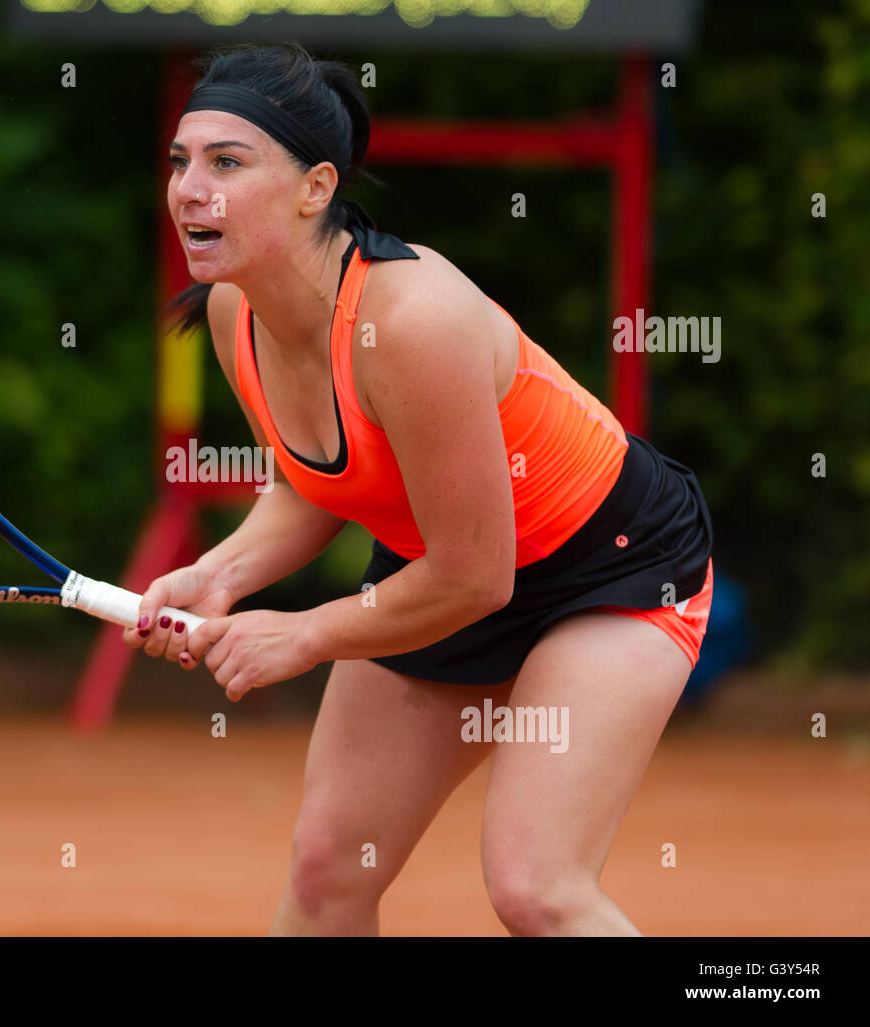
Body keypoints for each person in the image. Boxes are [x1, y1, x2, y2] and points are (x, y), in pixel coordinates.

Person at [124, 42, 713, 937]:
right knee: (327, 873)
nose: (190, 189)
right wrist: (223, 571)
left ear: (316, 187)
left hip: (611, 567)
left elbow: (477, 578)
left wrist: (305, 635)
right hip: (443, 570)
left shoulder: (410, 320)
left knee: (536, 888)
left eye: (227, 163)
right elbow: (318, 483)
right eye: (181, 162)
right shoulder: (232, 311)